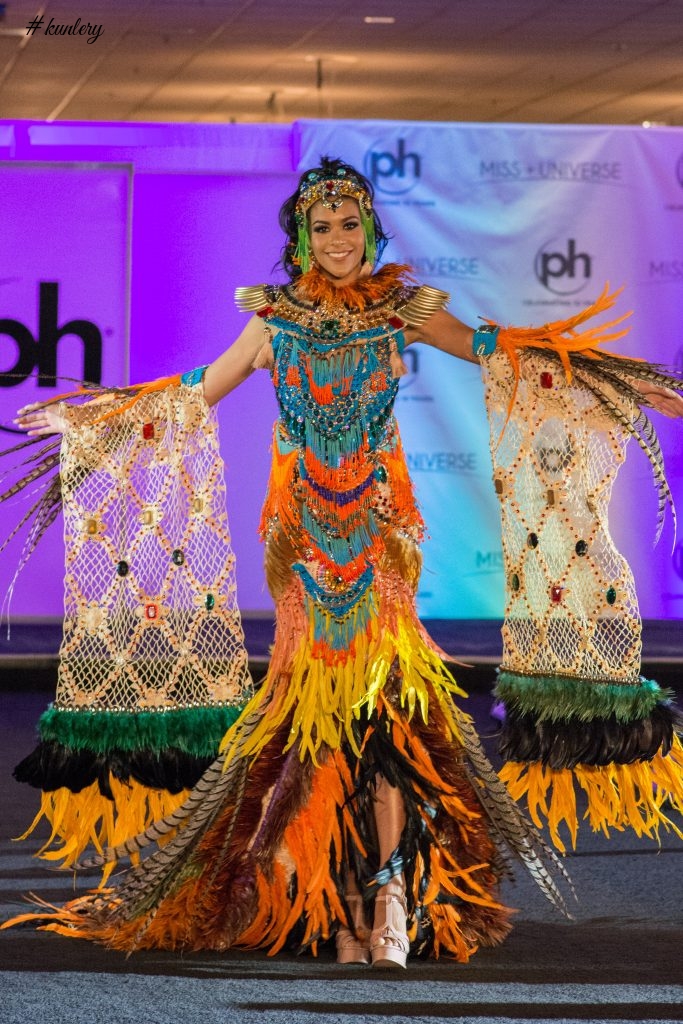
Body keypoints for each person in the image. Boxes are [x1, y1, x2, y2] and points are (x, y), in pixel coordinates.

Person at [7, 156, 683, 967]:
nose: (337, 238)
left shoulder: (401, 310)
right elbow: (198, 391)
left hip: (380, 536)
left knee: (385, 707)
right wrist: (98, 420)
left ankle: (391, 899)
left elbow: (498, 353)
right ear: (300, 237)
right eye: (321, 226)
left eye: (350, 224)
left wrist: (624, 383)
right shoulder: (270, 320)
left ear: (370, 231)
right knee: (311, 718)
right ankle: (331, 903)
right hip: (297, 545)